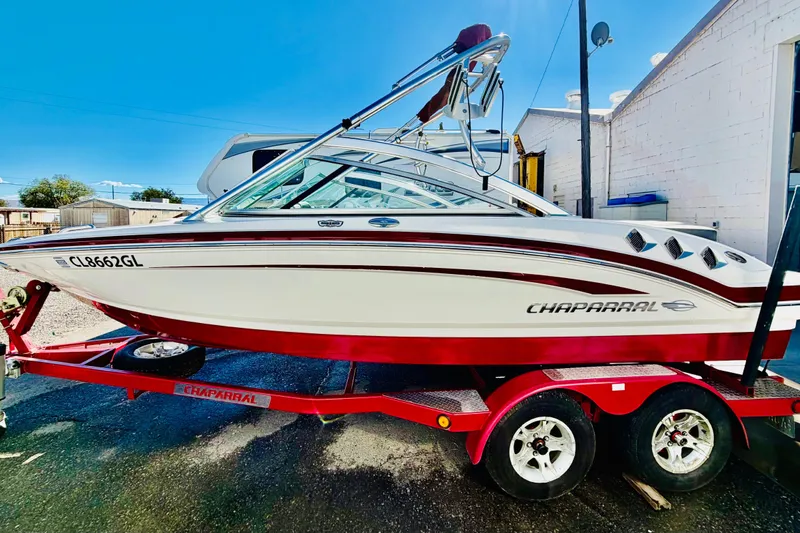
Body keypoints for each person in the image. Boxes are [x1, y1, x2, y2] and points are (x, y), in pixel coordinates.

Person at [416, 23, 493, 123]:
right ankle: (423, 116)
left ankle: (423, 116)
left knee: (447, 94)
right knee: (447, 94)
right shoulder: (479, 36)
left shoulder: (470, 37)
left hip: (460, 69)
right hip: (460, 70)